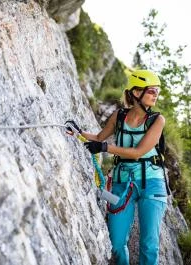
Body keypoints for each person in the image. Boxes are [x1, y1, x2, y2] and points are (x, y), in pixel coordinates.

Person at [66, 69, 168, 265]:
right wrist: (78, 131)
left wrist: (105, 147)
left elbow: (138, 152)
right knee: (116, 242)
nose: (156, 94)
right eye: (151, 90)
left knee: (149, 244)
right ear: (136, 92)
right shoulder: (118, 116)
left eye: (157, 91)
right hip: (122, 182)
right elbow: (98, 137)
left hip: (152, 184)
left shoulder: (157, 120)